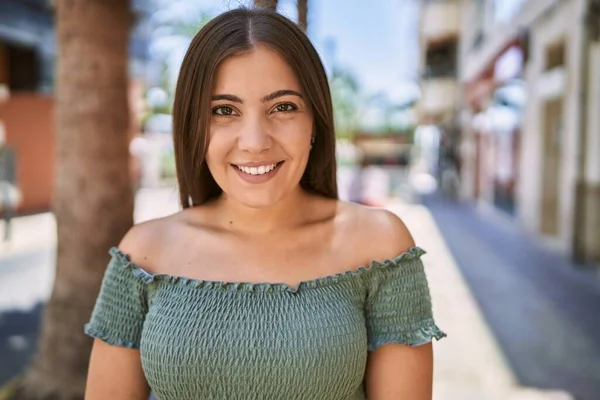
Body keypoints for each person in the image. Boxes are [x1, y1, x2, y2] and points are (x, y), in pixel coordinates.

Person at [84, 7, 445, 400]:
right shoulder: (143, 256)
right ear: (194, 126)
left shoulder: (380, 247)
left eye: (283, 107)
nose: (255, 141)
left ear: (315, 122)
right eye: (224, 111)